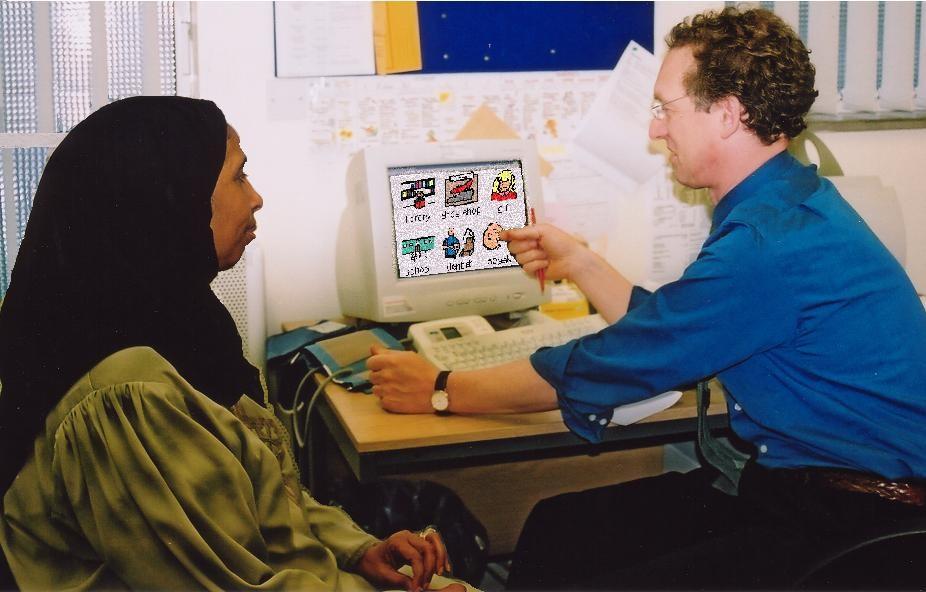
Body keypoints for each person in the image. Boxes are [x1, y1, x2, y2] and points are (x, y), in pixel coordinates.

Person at [367, 7, 926, 590]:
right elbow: (674, 332)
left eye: (665, 108)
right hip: (805, 490)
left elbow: (606, 365)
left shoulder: (766, 245)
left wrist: (439, 390)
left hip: (860, 524)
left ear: (730, 114)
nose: (655, 130)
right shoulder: (786, 202)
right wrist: (581, 263)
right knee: (560, 527)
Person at [0, 96, 472, 592]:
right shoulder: (126, 393)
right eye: (238, 177)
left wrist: (358, 550)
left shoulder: (180, 322)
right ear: (169, 197)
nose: (256, 198)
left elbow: (262, 493)